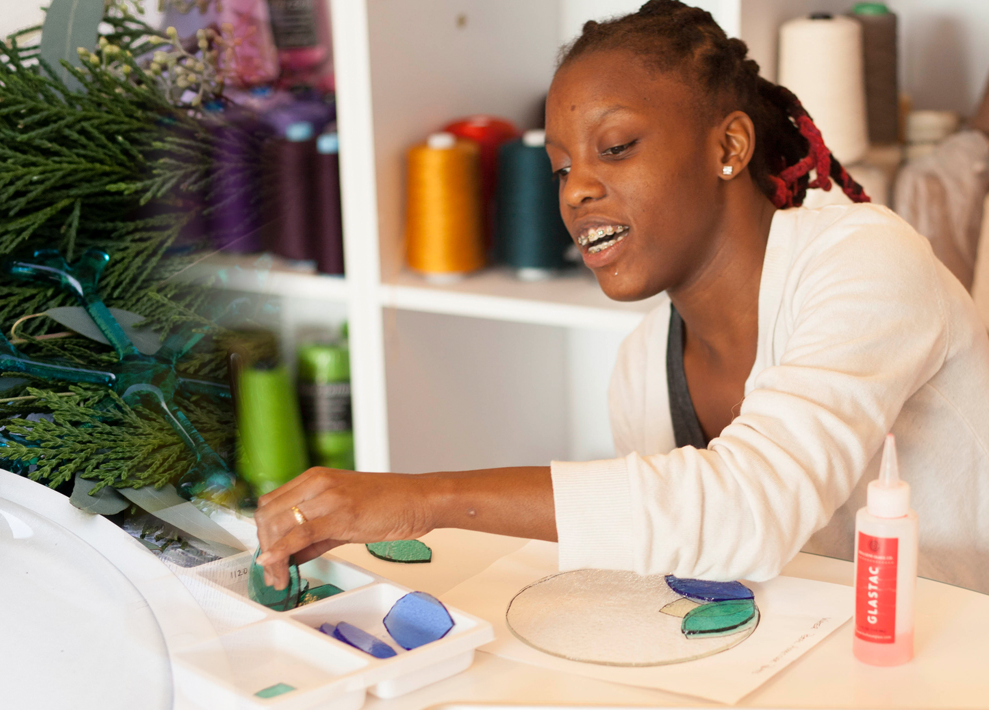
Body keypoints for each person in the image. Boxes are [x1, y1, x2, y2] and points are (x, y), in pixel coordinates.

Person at [255, 0, 989, 593]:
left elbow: (752, 506)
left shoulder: (864, 261)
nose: (574, 189)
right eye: (561, 166)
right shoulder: (643, 370)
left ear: (728, 148)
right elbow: (701, 554)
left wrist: (426, 499)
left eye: (616, 147)